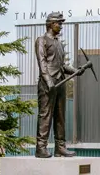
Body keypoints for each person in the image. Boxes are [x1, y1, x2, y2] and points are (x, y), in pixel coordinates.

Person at [34, 11, 83, 158]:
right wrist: (48, 81)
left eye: (61, 23)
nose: (61, 26)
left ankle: (60, 147)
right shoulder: (41, 40)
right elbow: (42, 63)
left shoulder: (59, 43)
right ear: (51, 24)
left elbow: (61, 65)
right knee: (45, 115)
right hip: (47, 83)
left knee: (60, 116)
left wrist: (75, 71)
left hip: (61, 82)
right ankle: (40, 148)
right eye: (59, 23)